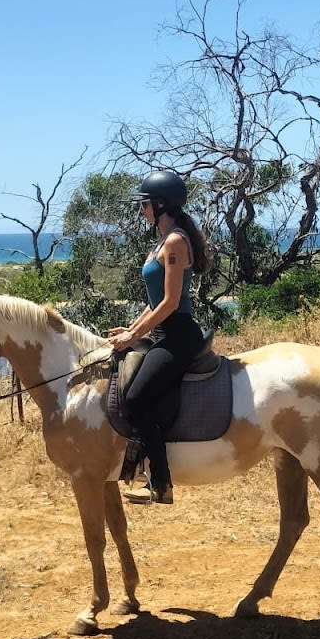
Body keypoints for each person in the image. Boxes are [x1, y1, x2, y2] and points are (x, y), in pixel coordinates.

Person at [107, 170, 213, 504]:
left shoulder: (175, 242)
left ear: (161, 204)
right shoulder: (163, 241)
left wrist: (134, 335)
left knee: (136, 398)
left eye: (145, 204)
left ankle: (160, 483)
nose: (142, 210)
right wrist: (130, 329)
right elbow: (154, 302)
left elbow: (169, 303)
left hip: (178, 335)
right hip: (163, 332)